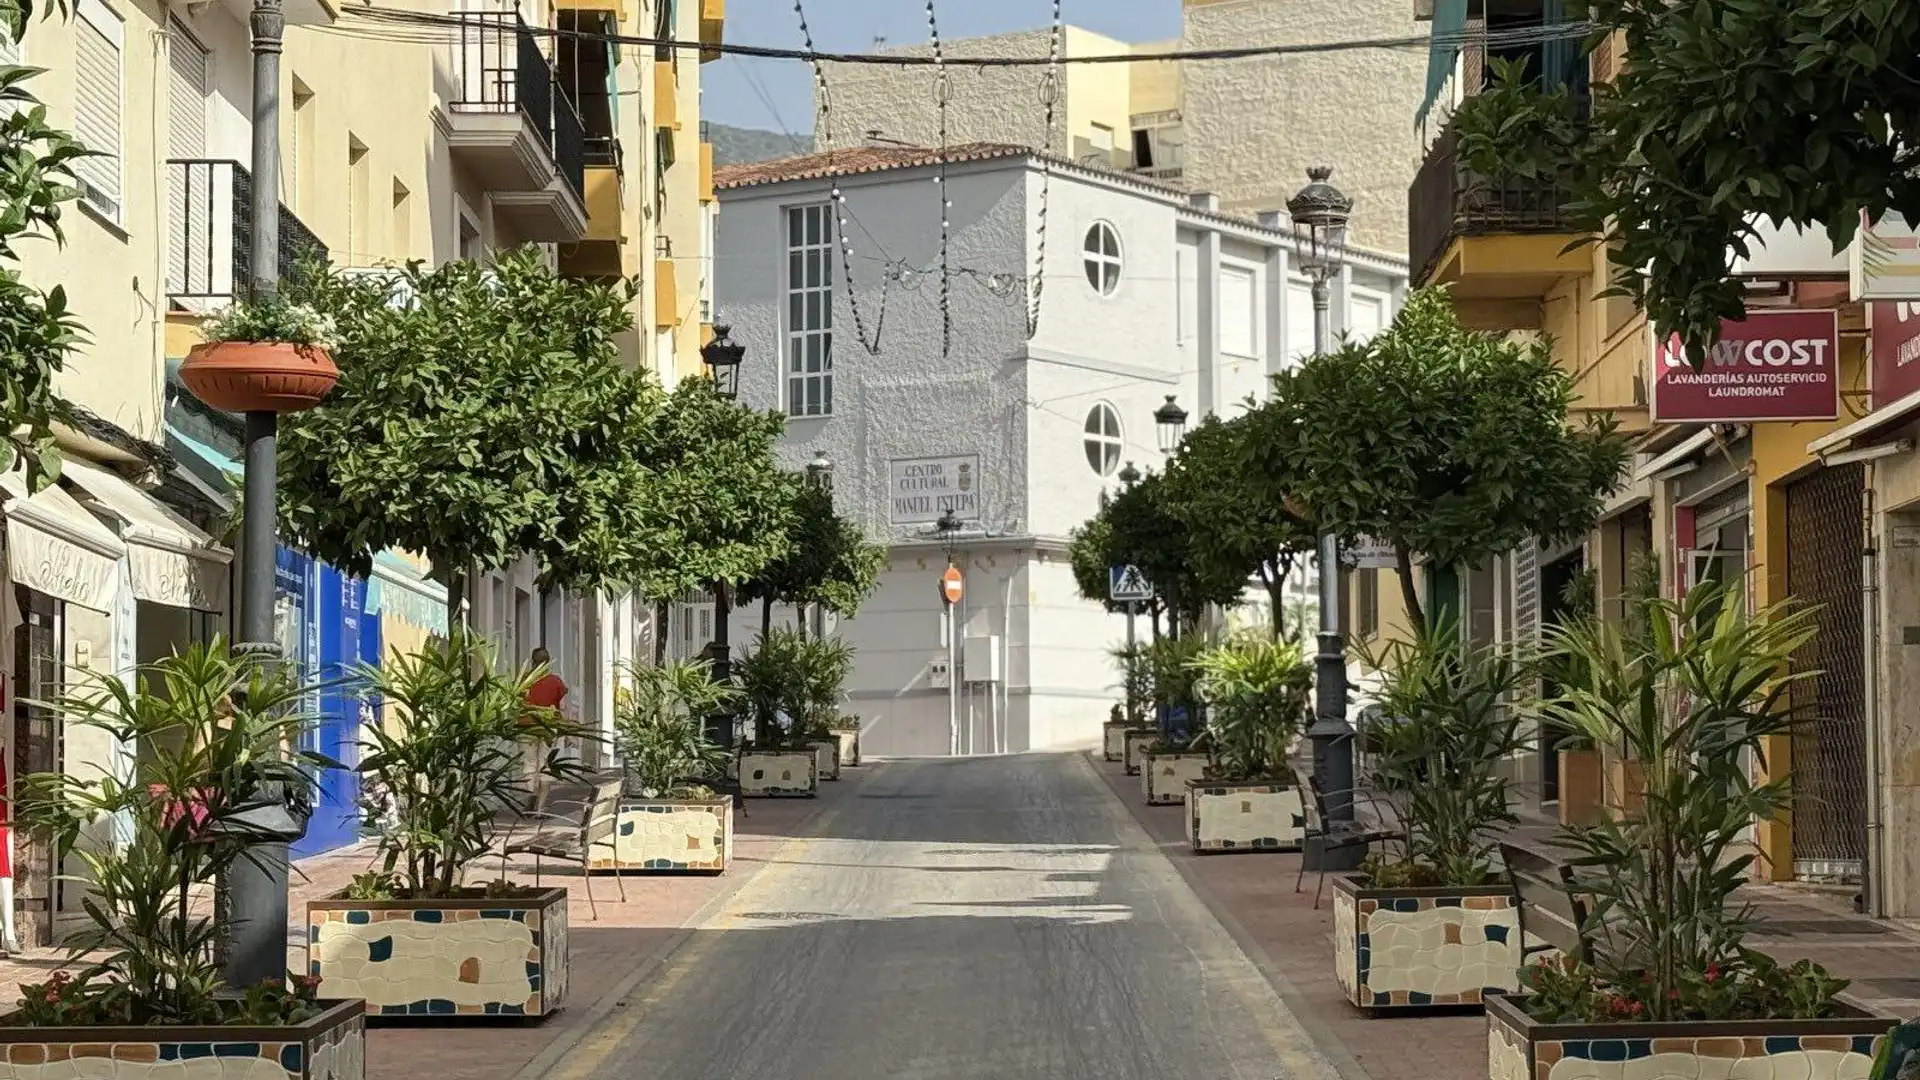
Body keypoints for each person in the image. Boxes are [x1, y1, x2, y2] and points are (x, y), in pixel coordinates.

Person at [521, 648, 568, 797]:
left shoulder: (524, 680)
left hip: (526, 726)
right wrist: (566, 730)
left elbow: (515, 703)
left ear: (532, 661)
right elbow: (563, 707)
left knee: (529, 765)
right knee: (546, 765)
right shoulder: (555, 681)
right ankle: (540, 807)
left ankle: (531, 800)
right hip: (549, 726)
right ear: (548, 663)